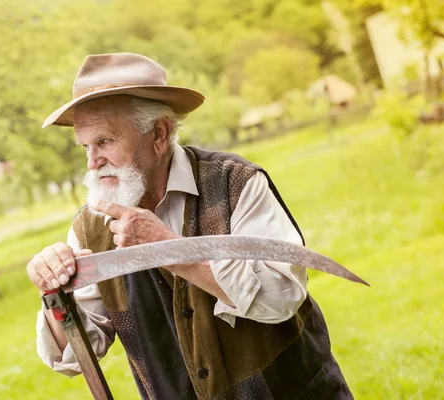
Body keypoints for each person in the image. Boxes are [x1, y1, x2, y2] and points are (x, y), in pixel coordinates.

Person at [29, 53, 353, 399]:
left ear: (159, 132)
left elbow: (281, 296)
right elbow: (77, 355)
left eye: (105, 141)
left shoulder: (236, 183)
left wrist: (170, 248)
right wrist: (53, 291)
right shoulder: (89, 230)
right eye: (86, 147)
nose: (93, 163)